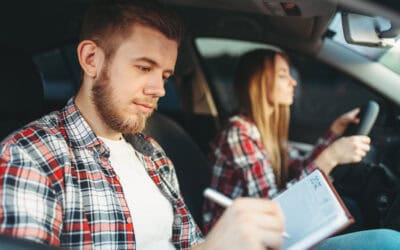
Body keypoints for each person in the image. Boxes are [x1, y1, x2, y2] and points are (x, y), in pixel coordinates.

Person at [0, 1, 287, 250]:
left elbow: (190, 243)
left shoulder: (154, 155)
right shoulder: (28, 156)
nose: (160, 89)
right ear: (91, 60)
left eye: (164, 75)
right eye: (144, 68)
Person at [202, 49, 400, 248]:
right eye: (282, 75)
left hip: (266, 233)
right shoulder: (239, 134)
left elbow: (299, 166)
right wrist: (331, 157)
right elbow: (272, 207)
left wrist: (332, 133)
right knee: (388, 242)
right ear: (258, 83)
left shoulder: (262, 130)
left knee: (352, 210)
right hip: (240, 242)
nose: (293, 81)